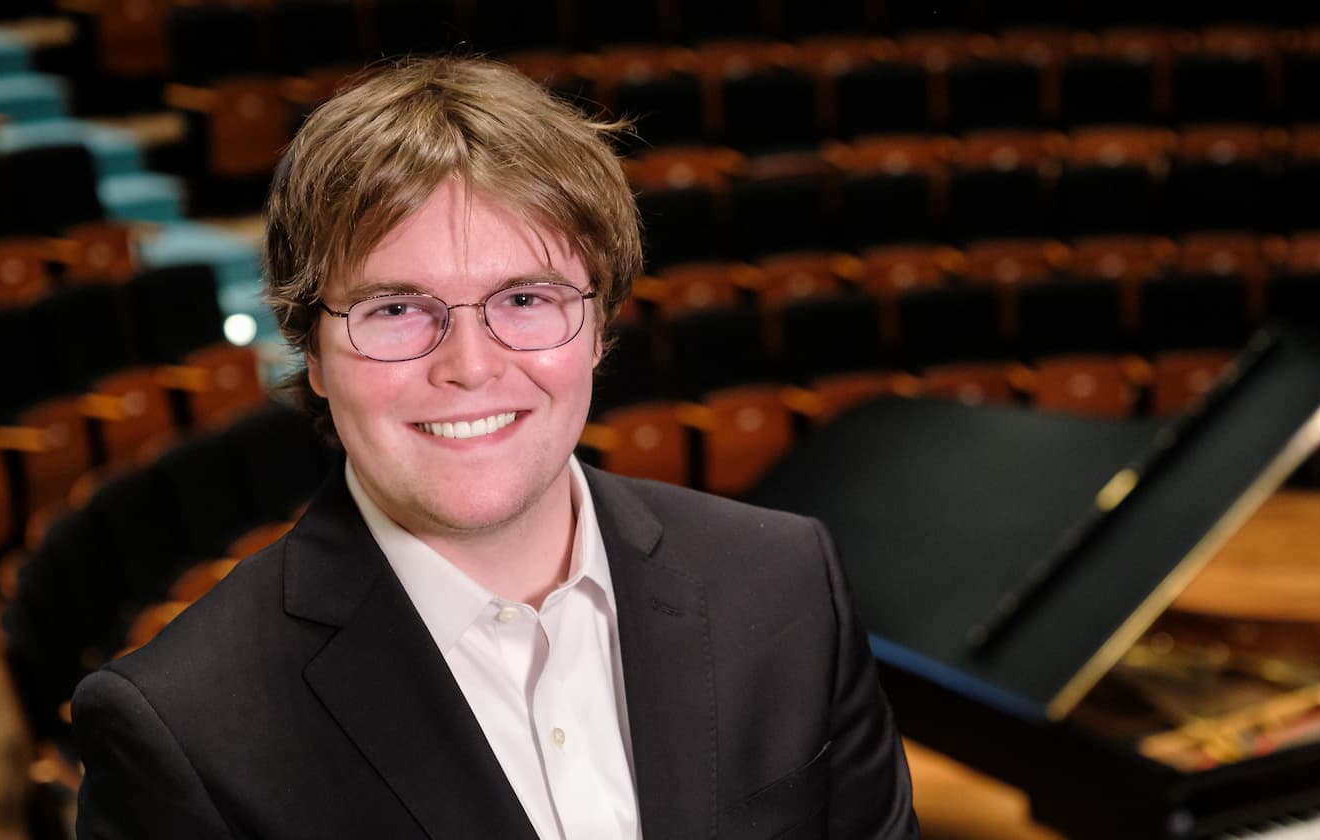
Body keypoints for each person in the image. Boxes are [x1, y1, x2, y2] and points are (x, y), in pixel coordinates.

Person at [71, 56, 918, 839]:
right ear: (312, 352)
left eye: (524, 297)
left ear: (597, 328)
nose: (470, 368)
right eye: (395, 309)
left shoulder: (789, 580)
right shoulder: (179, 729)